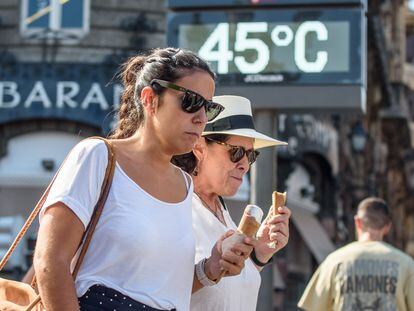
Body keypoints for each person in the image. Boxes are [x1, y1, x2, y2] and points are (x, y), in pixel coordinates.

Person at [30, 48, 253, 311]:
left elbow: (162, 289)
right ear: (150, 99)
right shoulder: (99, 157)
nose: (201, 118)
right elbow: (50, 261)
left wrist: (211, 266)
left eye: (209, 107)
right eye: (191, 101)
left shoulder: (184, 184)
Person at [172, 95, 291, 311]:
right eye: (236, 152)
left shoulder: (222, 212)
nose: (245, 165)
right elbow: (156, 287)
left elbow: (231, 290)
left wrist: (259, 254)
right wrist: (209, 270)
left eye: (251, 155)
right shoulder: (175, 204)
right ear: (199, 148)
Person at [298, 197, 414, 311]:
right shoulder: (406, 264)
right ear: (387, 226)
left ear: (357, 222)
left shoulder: (334, 261)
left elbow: (312, 307)